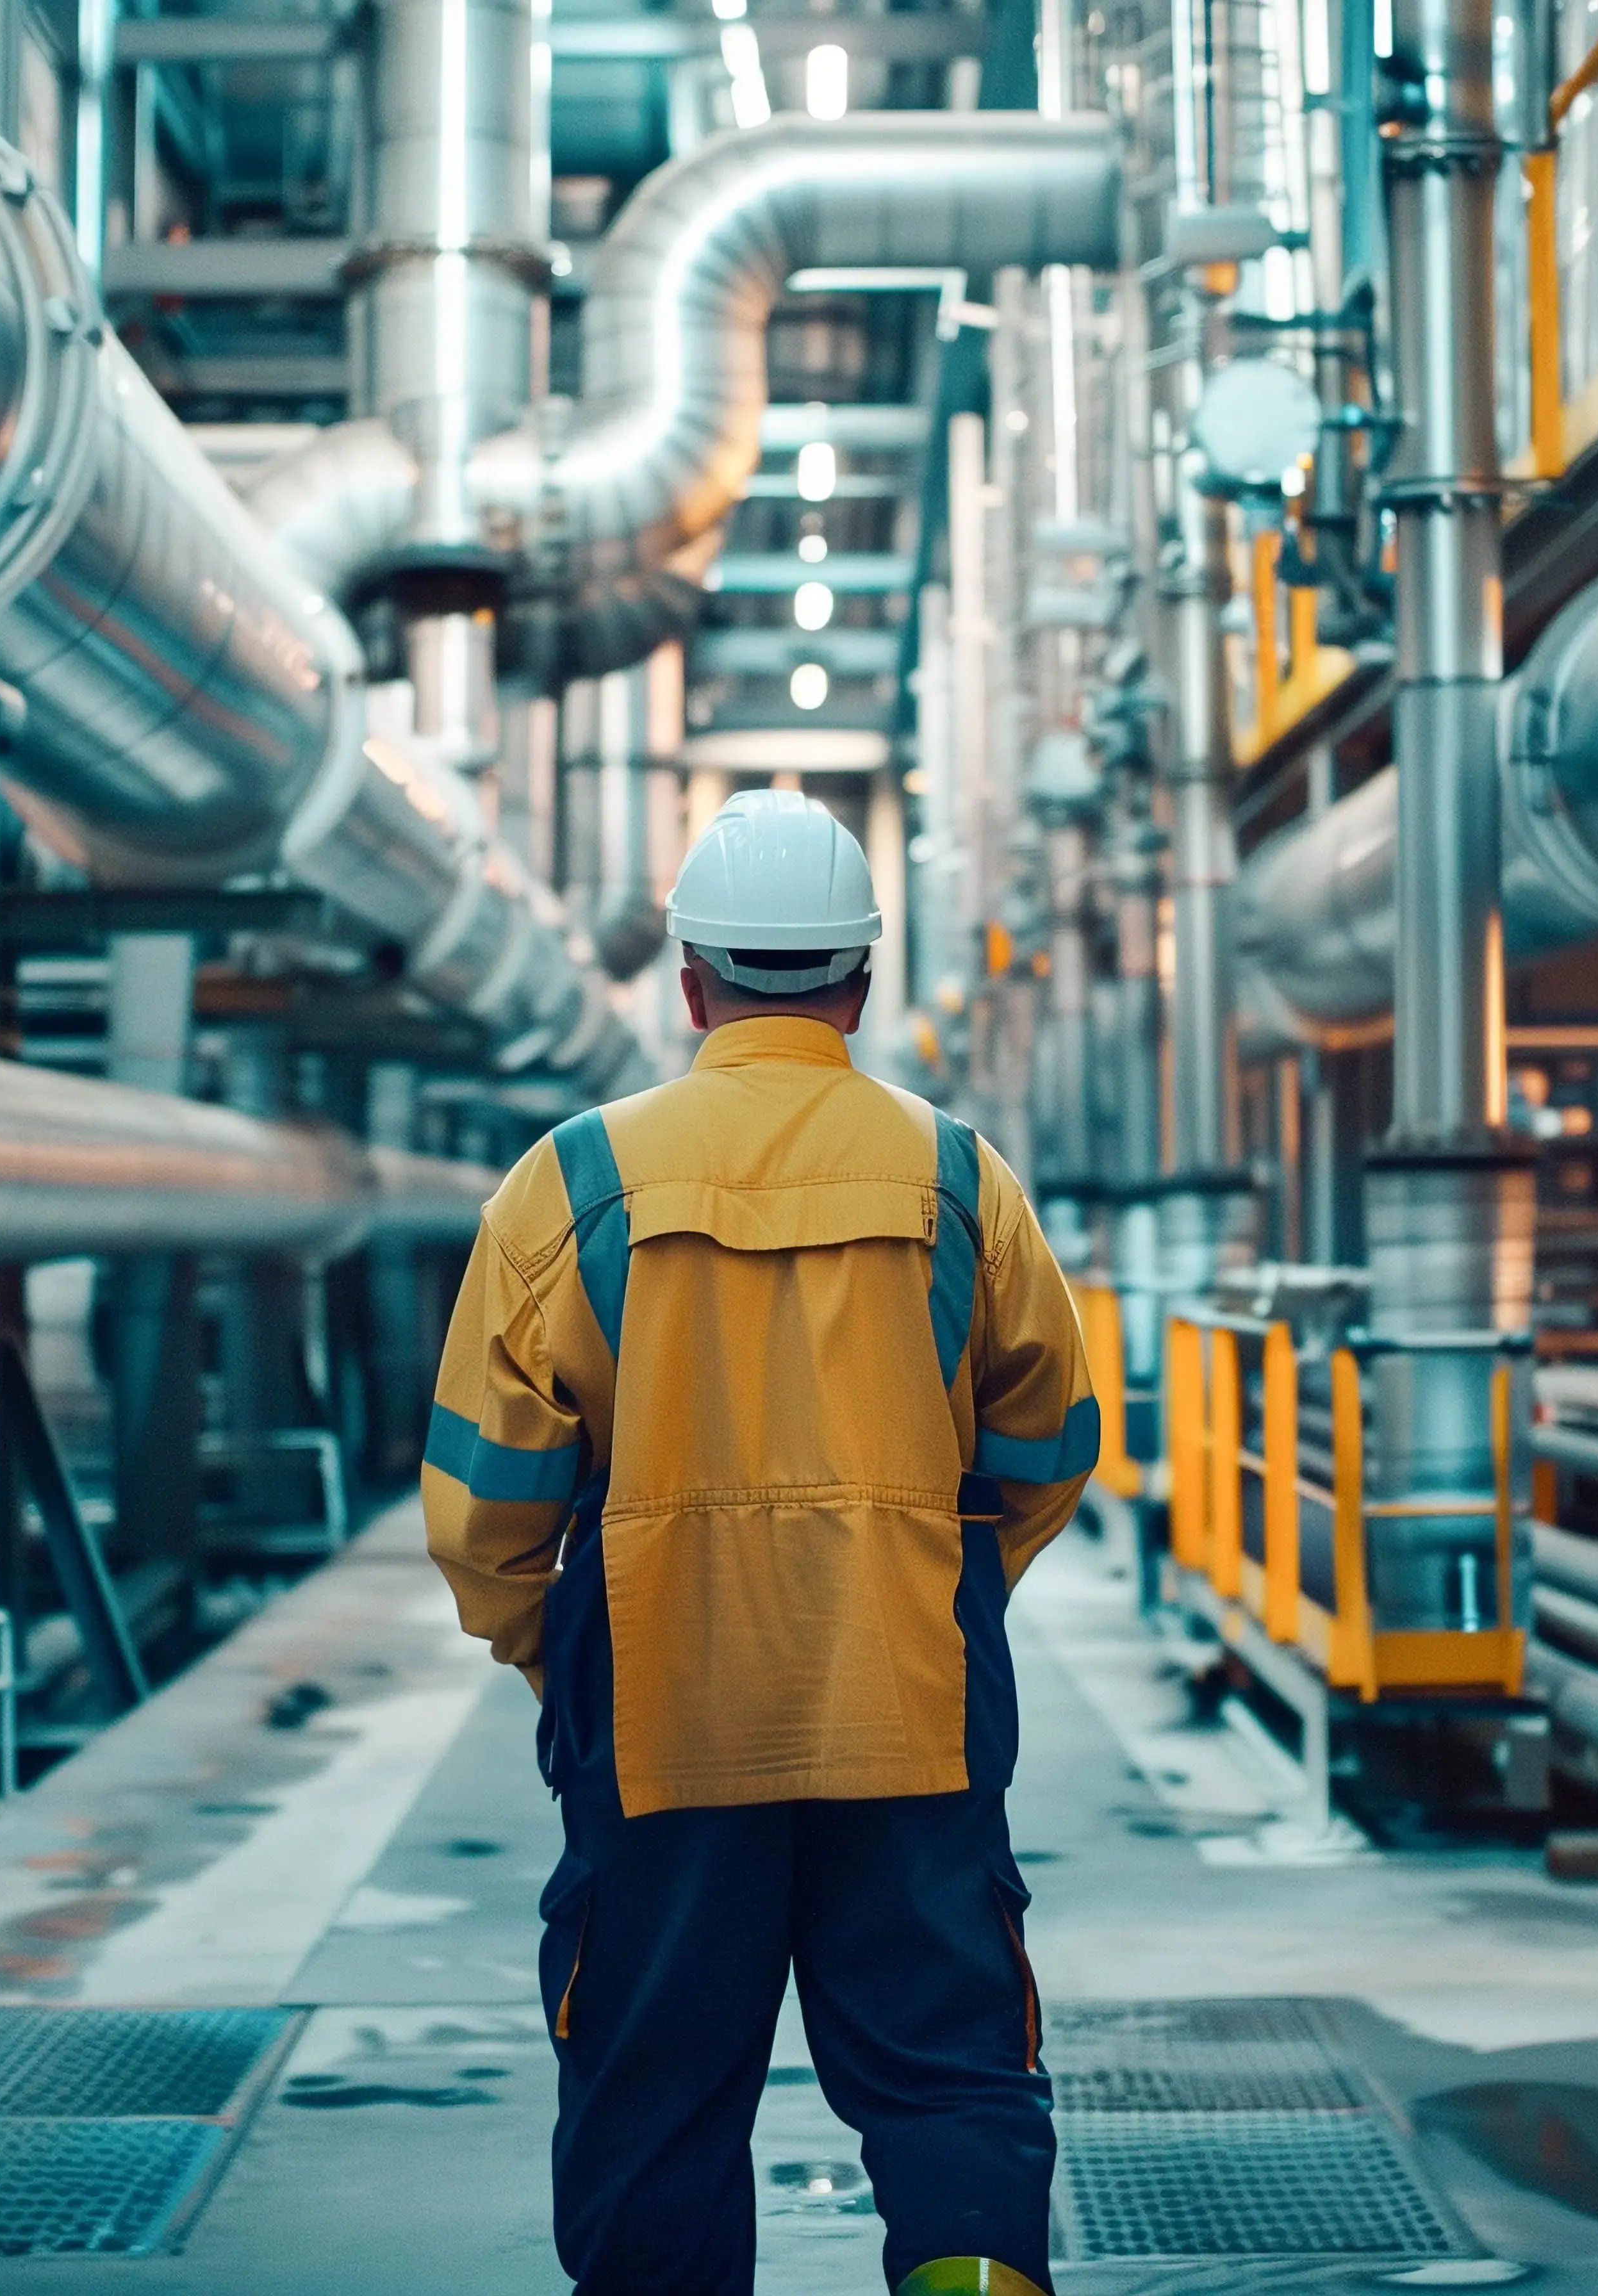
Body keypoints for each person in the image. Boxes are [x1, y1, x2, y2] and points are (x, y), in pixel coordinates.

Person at [424, 790, 1101, 2296]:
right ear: (860, 981)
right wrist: (937, 1583)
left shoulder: (574, 1182)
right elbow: (1051, 1443)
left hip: (664, 1724)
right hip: (909, 1716)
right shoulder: (958, 1180)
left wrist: (562, 1651)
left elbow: (483, 1504)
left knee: (653, 2104)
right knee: (951, 2082)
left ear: (689, 982)